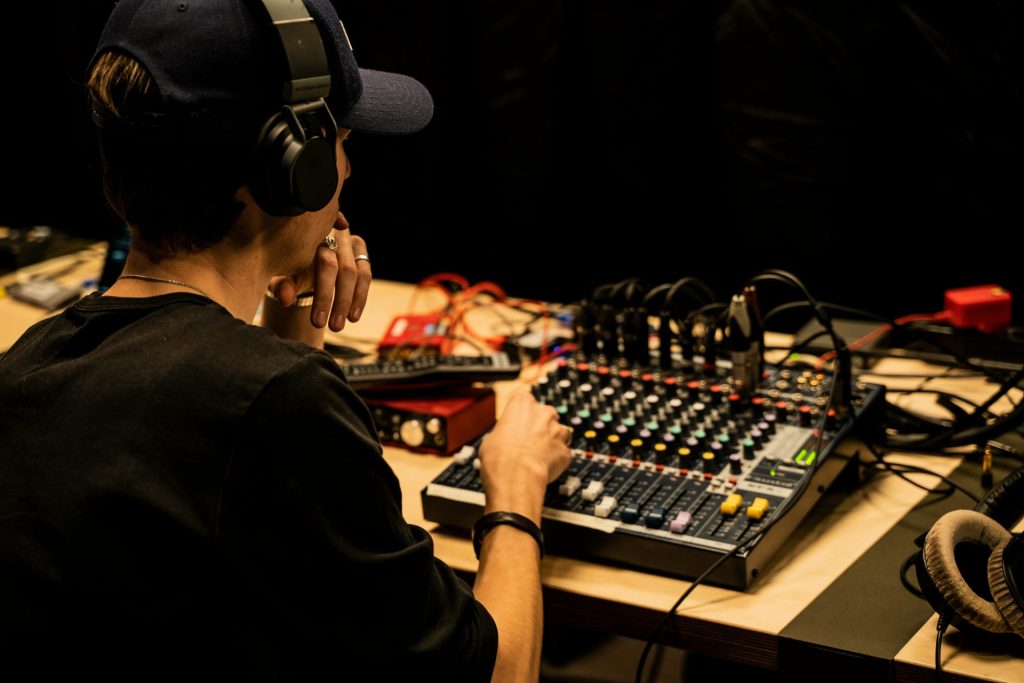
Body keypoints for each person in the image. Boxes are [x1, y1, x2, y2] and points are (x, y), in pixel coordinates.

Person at [0, 1, 570, 680]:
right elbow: (501, 670)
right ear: (289, 165)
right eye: (343, 143)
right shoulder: (276, 402)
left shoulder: (28, 366)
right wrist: (515, 490)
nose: (349, 172)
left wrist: (293, 332)